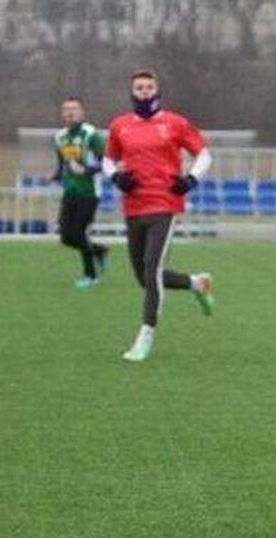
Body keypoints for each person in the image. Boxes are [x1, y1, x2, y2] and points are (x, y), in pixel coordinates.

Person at [102, 69, 215, 362]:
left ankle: (145, 335)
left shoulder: (175, 123)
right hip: (133, 206)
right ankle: (196, 283)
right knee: (144, 277)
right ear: (132, 92)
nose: (144, 92)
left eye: (149, 87)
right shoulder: (120, 126)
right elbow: (107, 160)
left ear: (157, 90)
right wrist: (116, 178)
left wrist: (190, 180)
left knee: (152, 269)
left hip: (164, 204)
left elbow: (204, 154)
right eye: (139, 87)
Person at [51, 97, 109, 288]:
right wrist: (56, 176)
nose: (70, 113)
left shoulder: (92, 135)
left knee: (78, 232)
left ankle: (90, 275)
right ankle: (98, 251)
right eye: (66, 109)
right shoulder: (60, 137)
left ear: (82, 112)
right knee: (66, 237)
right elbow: (62, 163)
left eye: (74, 109)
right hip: (70, 191)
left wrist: (87, 170)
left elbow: (107, 162)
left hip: (90, 192)